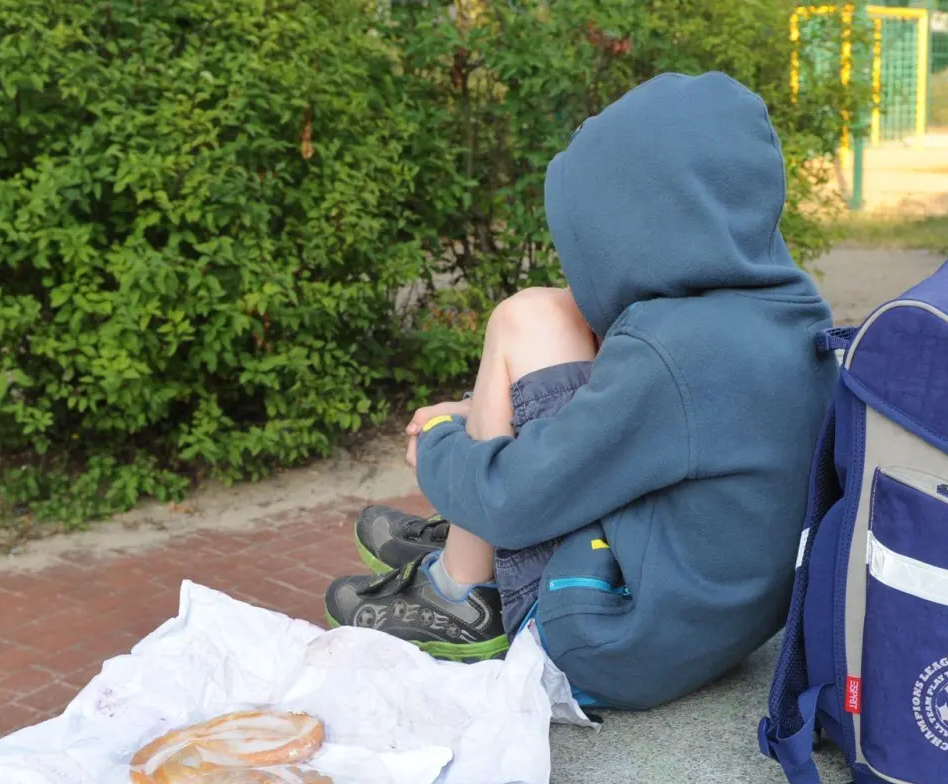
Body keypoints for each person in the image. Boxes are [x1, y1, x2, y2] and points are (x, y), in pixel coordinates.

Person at [323, 71, 837, 710]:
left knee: (527, 316)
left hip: (609, 639)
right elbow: (661, 424)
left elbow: (513, 500)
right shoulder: (786, 314)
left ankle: (462, 591)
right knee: (563, 314)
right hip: (704, 623)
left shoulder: (671, 353)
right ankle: (472, 536)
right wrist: (480, 415)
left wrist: (439, 446)